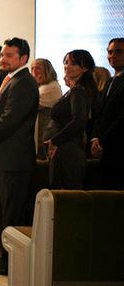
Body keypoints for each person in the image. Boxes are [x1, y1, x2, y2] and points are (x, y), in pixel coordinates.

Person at [0, 37, 39, 276]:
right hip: (6, 156)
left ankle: (9, 262)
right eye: (2, 54)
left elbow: (9, 119)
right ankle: (6, 258)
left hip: (15, 160)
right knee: (7, 209)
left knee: (13, 213)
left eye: (9, 55)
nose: (3, 59)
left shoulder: (24, 82)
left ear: (24, 58)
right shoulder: (11, 79)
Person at [43, 50, 98, 189]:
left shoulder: (79, 90)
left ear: (85, 68)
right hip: (63, 150)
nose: (67, 66)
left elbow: (79, 121)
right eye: (66, 62)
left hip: (67, 151)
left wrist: (55, 141)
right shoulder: (74, 90)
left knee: (65, 196)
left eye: (73, 64)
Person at [91, 38, 124, 189]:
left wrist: (102, 142)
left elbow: (121, 119)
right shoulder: (110, 81)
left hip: (118, 147)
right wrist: (95, 138)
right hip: (105, 149)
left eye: (119, 52)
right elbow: (101, 114)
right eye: (110, 52)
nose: (113, 56)